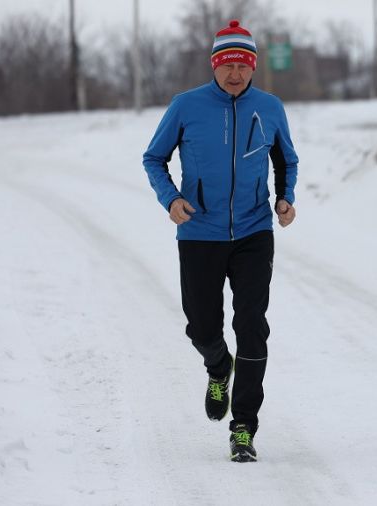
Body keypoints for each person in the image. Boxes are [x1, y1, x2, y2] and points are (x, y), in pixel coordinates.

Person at [142, 20, 299, 463]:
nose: (235, 73)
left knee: (252, 326)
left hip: (253, 231)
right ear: (215, 64)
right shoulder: (185, 106)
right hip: (199, 232)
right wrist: (170, 199)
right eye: (227, 63)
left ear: (253, 67)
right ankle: (217, 366)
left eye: (243, 64)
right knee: (201, 324)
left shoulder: (269, 108)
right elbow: (154, 157)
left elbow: (286, 159)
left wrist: (285, 199)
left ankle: (244, 427)